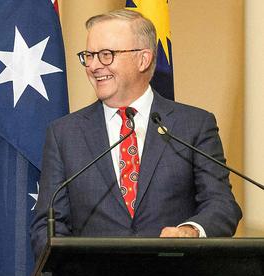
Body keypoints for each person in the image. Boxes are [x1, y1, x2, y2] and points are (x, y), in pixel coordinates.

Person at [29, 9, 241, 257]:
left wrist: (190, 232)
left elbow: (222, 205)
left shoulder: (193, 125)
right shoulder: (64, 134)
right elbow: (48, 224)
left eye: (106, 55)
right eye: (89, 55)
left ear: (143, 59)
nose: (94, 66)